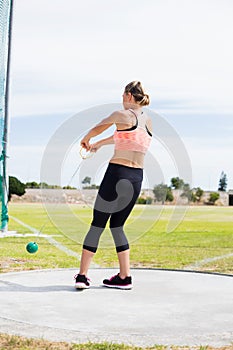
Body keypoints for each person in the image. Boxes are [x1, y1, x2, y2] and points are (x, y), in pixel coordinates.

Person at [74, 81, 152, 290]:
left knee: (97, 223)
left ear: (128, 95)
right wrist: (98, 144)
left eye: (122, 95)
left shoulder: (122, 114)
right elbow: (123, 136)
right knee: (117, 226)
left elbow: (100, 125)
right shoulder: (147, 121)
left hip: (117, 174)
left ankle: (82, 276)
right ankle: (125, 277)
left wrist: (87, 138)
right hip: (137, 178)